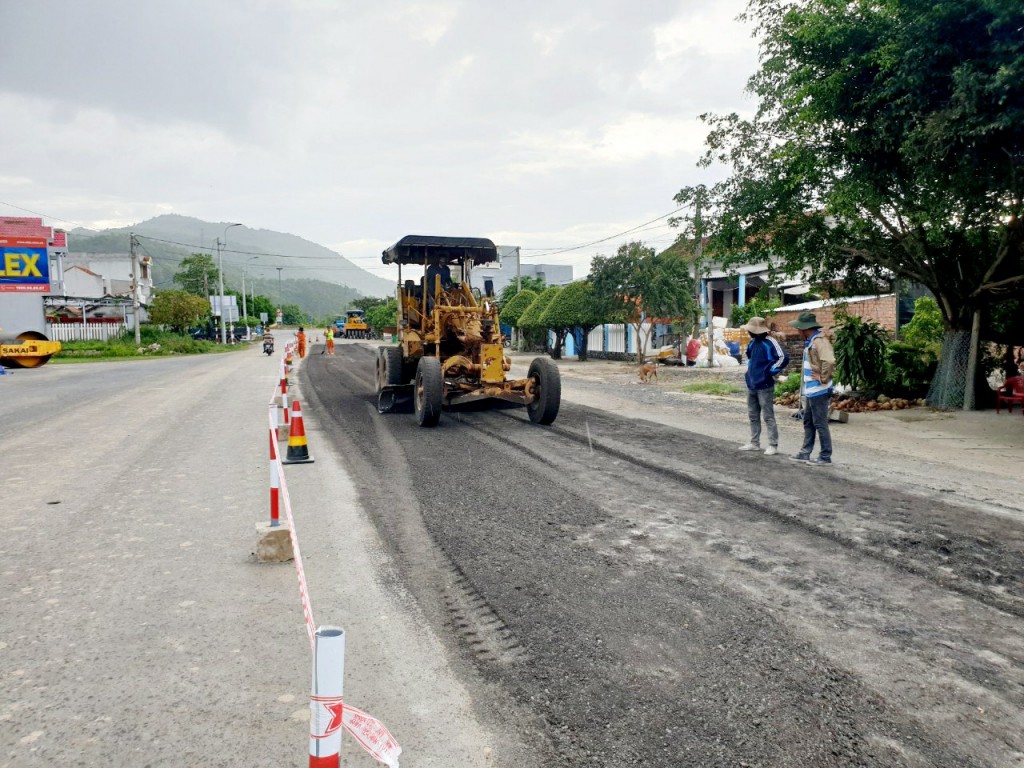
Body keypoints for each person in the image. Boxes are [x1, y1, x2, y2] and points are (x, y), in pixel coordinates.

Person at [787, 312, 836, 466]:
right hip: (812, 390)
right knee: (808, 422)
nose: (797, 332)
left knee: (820, 423)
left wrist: (823, 378)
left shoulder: (819, 342)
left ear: (804, 328)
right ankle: (805, 453)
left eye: (798, 329)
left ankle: (825, 456)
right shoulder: (812, 341)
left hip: (819, 390)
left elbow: (829, 360)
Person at [737, 317, 789, 456]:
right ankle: (754, 443)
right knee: (753, 415)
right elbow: (749, 356)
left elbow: (783, 358)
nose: (749, 332)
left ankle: (773, 444)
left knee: (768, 416)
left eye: (751, 330)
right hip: (752, 383)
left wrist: (770, 371)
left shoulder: (770, 342)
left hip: (765, 384)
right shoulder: (752, 343)